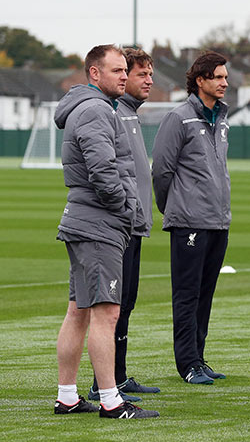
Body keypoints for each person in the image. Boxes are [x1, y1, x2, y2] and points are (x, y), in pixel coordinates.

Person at [54, 44, 158, 419]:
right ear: (94, 74)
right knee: (106, 313)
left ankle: (67, 396)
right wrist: (127, 211)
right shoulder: (97, 109)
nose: (124, 77)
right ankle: (112, 402)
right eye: (117, 71)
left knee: (78, 311)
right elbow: (103, 173)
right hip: (99, 225)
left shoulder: (90, 108)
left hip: (85, 222)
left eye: (124, 70)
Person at [152, 51, 231, 385]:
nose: (225, 83)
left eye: (226, 77)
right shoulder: (178, 118)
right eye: (218, 77)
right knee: (186, 294)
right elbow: (161, 171)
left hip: (218, 220)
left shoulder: (223, 118)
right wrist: (173, 207)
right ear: (200, 80)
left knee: (206, 292)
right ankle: (187, 364)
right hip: (189, 221)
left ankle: (199, 357)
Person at [87, 47, 161, 402]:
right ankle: (104, 381)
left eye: (150, 74)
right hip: (119, 225)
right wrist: (126, 211)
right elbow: (107, 173)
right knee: (112, 305)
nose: (149, 80)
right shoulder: (113, 112)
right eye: (140, 74)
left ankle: (118, 374)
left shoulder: (130, 114)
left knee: (125, 302)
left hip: (134, 223)